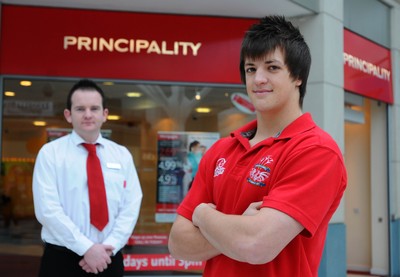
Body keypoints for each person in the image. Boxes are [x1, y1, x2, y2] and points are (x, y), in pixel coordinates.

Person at [168, 15, 347, 277]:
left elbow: (256, 245)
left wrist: (202, 216)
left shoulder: (316, 151)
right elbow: (177, 244)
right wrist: (239, 227)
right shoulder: (221, 150)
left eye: (272, 68)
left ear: (298, 76)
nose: (258, 79)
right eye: (251, 69)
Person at [32, 79, 143, 277]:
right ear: (68, 115)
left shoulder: (122, 154)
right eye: (80, 109)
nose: (88, 115)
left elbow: (131, 205)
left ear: (105, 113)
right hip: (61, 260)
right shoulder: (50, 153)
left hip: (109, 257)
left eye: (94, 108)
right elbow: (47, 209)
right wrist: (87, 248)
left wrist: (110, 246)